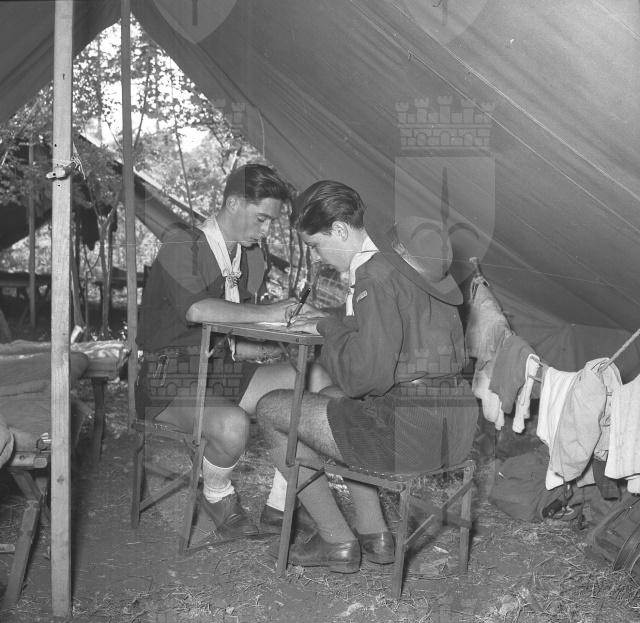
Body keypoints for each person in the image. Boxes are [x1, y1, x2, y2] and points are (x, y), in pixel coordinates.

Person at [256, 180, 478, 573]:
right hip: (455, 425)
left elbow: (363, 378)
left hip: (410, 435)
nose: (318, 257)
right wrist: (330, 321)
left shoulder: (373, 276)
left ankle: (335, 539)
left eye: (316, 245)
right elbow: (395, 333)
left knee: (272, 408)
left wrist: (327, 329)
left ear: (340, 230)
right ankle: (374, 534)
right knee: (332, 396)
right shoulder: (414, 267)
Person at [136, 163, 328, 543]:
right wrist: (271, 313)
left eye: (271, 221)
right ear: (234, 202)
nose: (266, 230)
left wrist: (293, 327)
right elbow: (198, 310)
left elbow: (239, 331)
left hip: (223, 369)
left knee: (315, 381)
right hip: (168, 375)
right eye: (262, 219)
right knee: (232, 425)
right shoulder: (182, 245)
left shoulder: (252, 258)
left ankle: (281, 503)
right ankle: (217, 494)